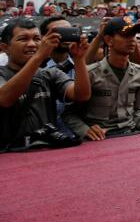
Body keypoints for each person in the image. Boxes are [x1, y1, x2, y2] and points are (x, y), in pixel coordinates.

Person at [63, 17, 140, 140]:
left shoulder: (138, 73)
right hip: (100, 139)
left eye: (133, 35)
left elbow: (135, 112)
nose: (132, 40)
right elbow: (69, 114)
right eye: (125, 36)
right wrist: (85, 130)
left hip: (129, 136)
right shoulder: (90, 73)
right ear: (109, 40)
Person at [0, 18, 90, 148]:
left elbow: (81, 95)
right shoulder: (2, 73)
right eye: (23, 39)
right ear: (5, 47)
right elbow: (5, 99)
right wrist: (39, 56)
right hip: (10, 152)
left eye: (37, 39)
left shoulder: (49, 74)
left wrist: (79, 59)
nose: (32, 44)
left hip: (45, 149)